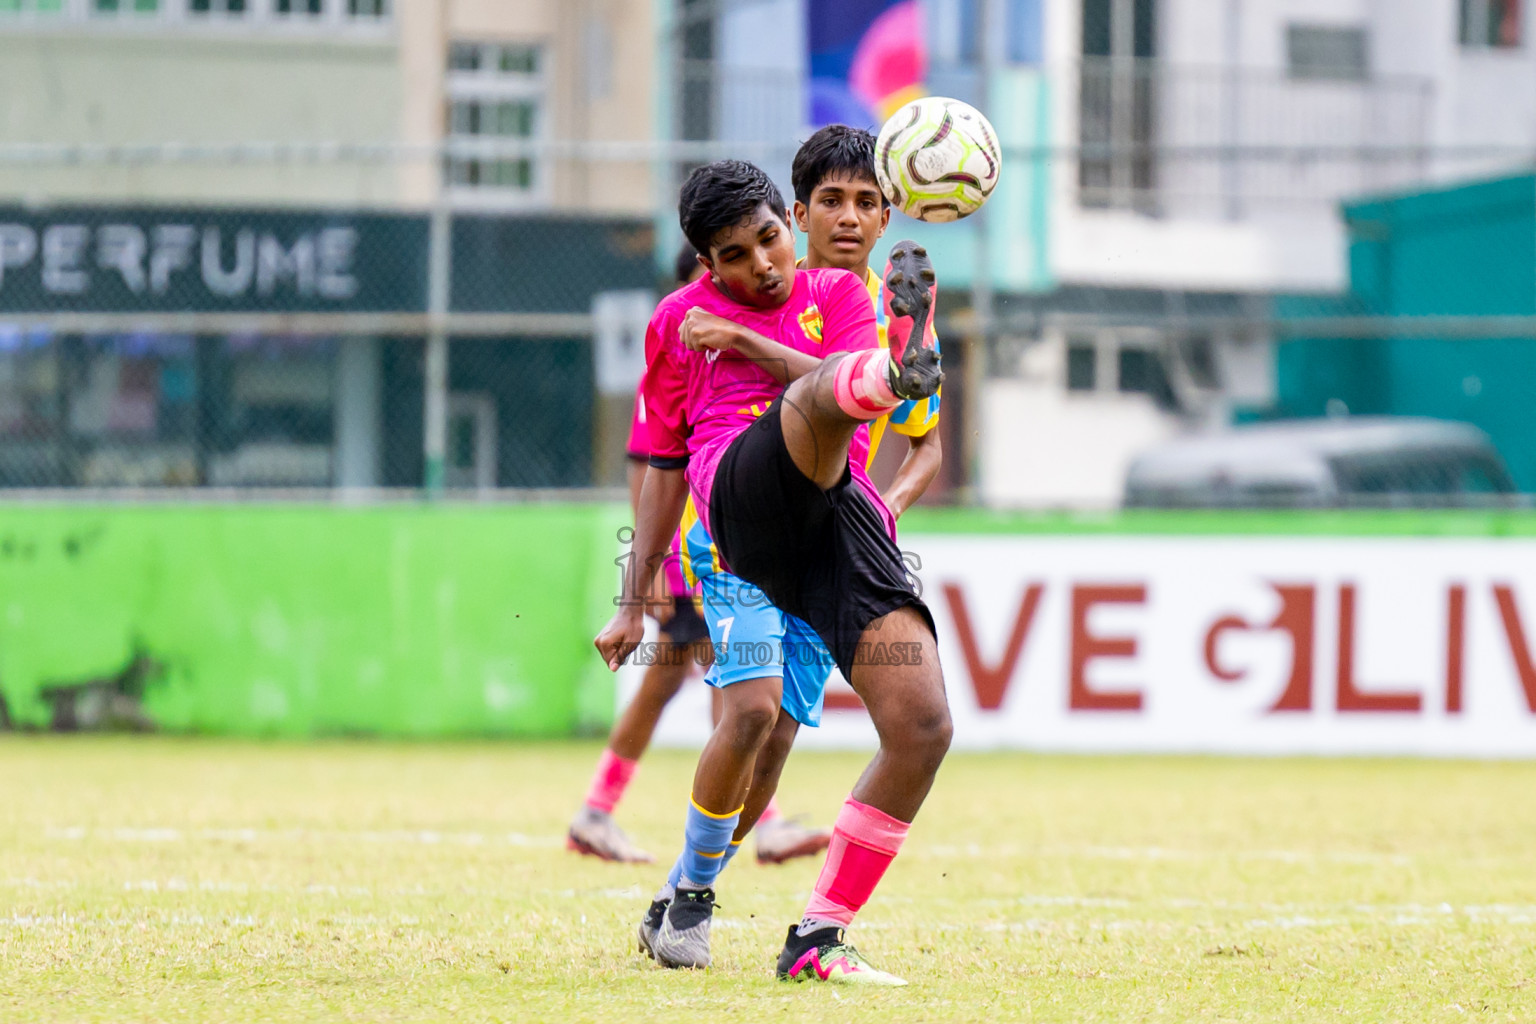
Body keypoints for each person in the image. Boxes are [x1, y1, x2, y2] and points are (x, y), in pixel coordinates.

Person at [596, 159, 950, 986]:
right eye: (736, 255)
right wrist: (634, 600)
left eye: (768, 241)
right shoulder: (681, 322)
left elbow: (898, 430)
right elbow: (661, 460)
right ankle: (885, 376)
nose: (761, 262)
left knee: (919, 725)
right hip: (734, 509)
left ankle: (808, 935)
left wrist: (752, 341)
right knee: (748, 714)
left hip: (838, 520)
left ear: (782, 227)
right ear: (705, 264)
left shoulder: (839, 295)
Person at [568, 243, 832, 866]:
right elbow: (650, 464)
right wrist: (650, 564)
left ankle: (603, 812)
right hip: (697, 551)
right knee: (713, 679)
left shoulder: (737, 352)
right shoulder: (678, 353)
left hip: (725, 542)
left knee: (706, 678)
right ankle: (606, 813)